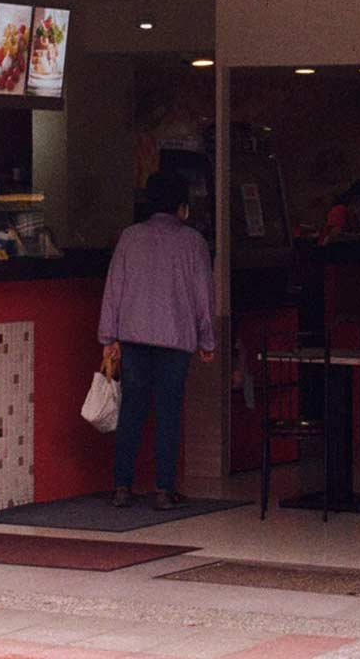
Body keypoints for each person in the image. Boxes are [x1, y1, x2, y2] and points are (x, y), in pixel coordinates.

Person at [98, 170, 216, 510]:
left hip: (133, 337)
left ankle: (122, 486)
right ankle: (164, 489)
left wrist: (108, 336)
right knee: (168, 412)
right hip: (176, 339)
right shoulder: (193, 242)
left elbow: (114, 289)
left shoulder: (129, 237)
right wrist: (207, 340)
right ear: (182, 206)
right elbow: (204, 296)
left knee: (132, 410)